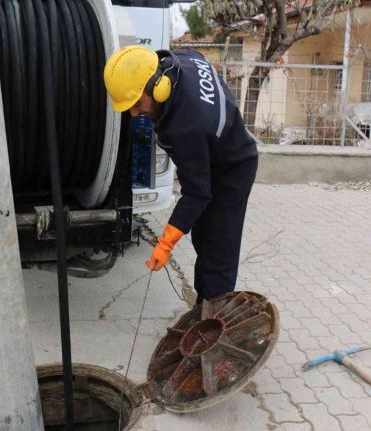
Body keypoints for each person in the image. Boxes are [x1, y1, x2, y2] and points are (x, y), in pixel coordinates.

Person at [103, 46, 258, 303]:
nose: (133, 113)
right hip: (214, 149)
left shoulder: (188, 125)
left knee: (218, 246)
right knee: (202, 235)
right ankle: (205, 305)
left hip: (233, 169)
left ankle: (215, 319)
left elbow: (197, 193)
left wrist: (166, 243)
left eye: (138, 103)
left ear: (158, 87)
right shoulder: (178, 62)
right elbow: (197, 56)